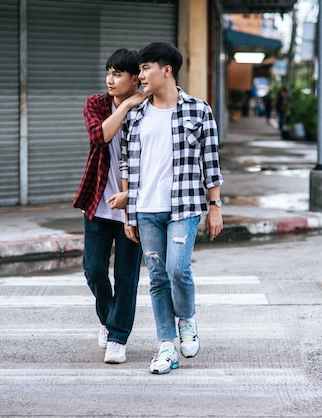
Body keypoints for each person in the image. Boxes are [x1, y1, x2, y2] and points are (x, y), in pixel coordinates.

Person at [119, 41, 224, 375]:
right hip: (146, 209)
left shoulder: (198, 109)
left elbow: (211, 161)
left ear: (167, 70)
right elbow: (125, 165)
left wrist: (215, 205)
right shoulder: (135, 113)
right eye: (139, 69)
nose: (140, 75)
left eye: (146, 68)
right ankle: (166, 347)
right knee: (157, 278)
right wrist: (128, 211)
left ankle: (188, 320)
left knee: (179, 270)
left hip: (185, 206)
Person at [72, 48, 146, 365]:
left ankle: (117, 337)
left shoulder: (150, 110)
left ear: (134, 78)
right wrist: (127, 104)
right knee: (94, 271)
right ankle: (108, 318)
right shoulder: (97, 104)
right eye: (108, 72)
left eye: (117, 74)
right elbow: (99, 136)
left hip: (135, 206)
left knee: (127, 277)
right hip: (99, 204)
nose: (110, 79)